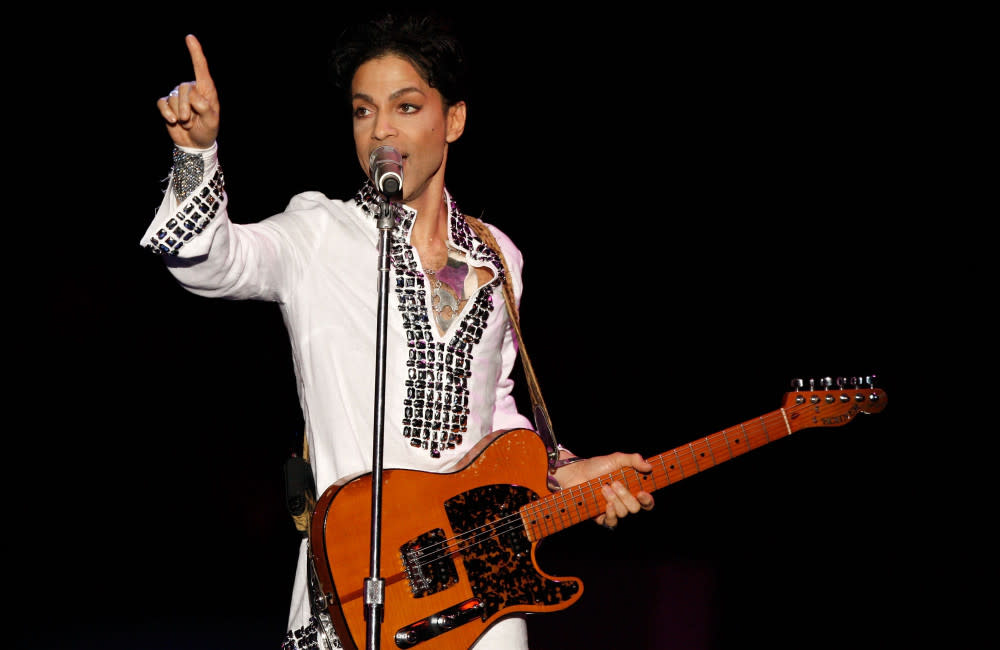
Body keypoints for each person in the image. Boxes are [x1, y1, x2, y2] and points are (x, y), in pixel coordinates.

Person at [145, 12, 654, 649]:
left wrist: (562, 471)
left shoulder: (497, 257)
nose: (381, 128)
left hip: (477, 594)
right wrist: (195, 154)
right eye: (363, 111)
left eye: (406, 106)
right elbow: (207, 260)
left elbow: (492, 412)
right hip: (357, 587)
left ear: (455, 121)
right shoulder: (320, 234)